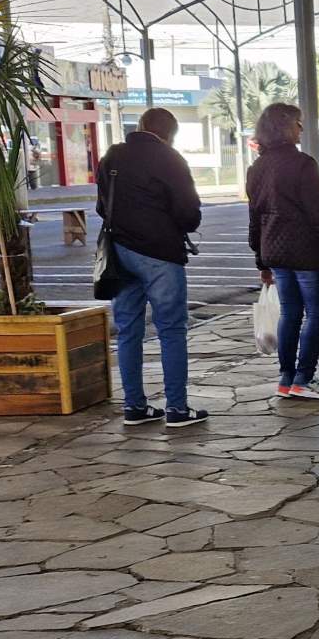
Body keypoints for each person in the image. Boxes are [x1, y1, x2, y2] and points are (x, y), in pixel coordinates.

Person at [95, 107, 207, 427]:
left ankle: (134, 407)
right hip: (161, 255)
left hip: (120, 253)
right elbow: (189, 214)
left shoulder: (112, 157)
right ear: (170, 134)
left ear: (140, 126)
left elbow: (102, 206)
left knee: (129, 330)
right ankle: (177, 409)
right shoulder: (170, 159)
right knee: (171, 330)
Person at [246, 103, 319, 400]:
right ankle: (305, 377)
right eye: (299, 123)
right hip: (306, 253)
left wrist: (261, 259)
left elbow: (255, 217)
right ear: (287, 127)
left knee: (289, 313)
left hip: (275, 252)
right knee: (316, 313)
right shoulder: (302, 164)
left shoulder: (257, 168)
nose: (302, 128)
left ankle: (286, 378)